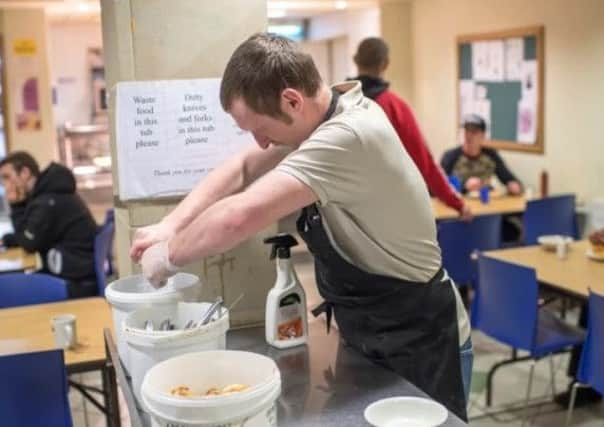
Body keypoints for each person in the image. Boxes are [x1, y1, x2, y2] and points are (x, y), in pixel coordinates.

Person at [131, 33, 471, 419]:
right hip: (374, 329)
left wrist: (168, 257)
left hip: (422, 336)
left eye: (260, 130)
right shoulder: (321, 112)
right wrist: (168, 225)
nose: (260, 145)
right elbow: (241, 169)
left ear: (292, 100)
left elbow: (239, 216)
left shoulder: (348, 136)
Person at [351, 37, 472, 220]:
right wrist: (458, 204)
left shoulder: (337, 103)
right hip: (387, 211)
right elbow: (425, 164)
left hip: (345, 210)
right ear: (386, 64)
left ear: (355, 60)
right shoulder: (395, 107)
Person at [0, 152, 98, 297]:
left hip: (75, 283)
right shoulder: (50, 193)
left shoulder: (47, 202)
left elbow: (30, 244)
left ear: (25, 173)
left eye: (7, 177)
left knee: (7, 292)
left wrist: (16, 204)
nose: (4, 185)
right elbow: (35, 233)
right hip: (76, 273)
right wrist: (8, 240)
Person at [441, 114, 523, 195]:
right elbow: (438, 187)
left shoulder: (491, 155)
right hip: (458, 202)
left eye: (474, 132)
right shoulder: (450, 156)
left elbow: (508, 178)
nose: (468, 136)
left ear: (483, 136)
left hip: (484, 203)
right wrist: (464, 187)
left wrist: (515, 186)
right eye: (466, 130)